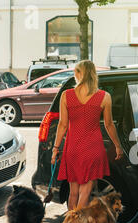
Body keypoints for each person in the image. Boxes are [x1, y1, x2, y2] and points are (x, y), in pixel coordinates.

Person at [51, 60, 123, 210]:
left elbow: (63, 125)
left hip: (73, 150)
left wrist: (55, 148)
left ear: (80, 74)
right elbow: (109, 125)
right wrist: (117, 146)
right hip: (93, 149)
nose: (74, 74)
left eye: (75, 71)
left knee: (73, 193)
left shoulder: (66, 95)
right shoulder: (105, 97)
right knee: (85, 192)